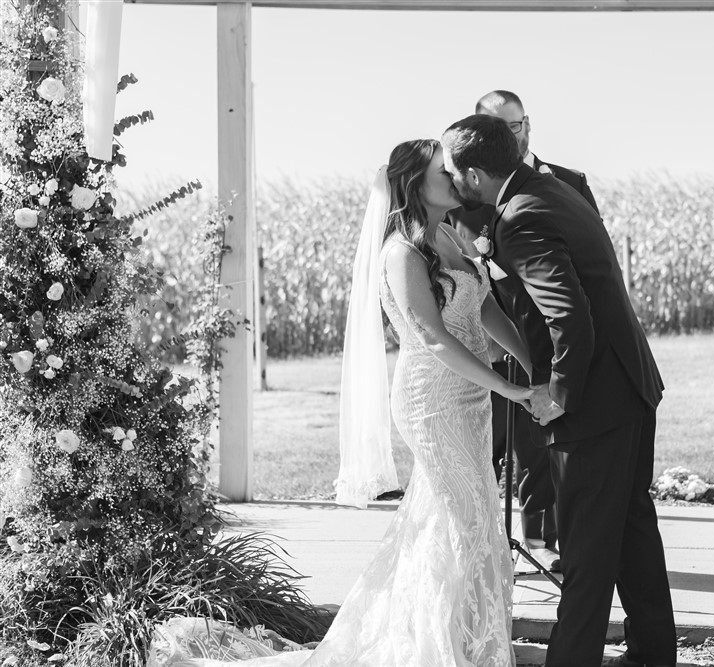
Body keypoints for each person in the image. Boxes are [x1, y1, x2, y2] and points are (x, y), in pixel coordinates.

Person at [146, 139, 533, 667]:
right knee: (463, 524)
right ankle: (442, 650)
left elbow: (488, 312)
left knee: (461, 521)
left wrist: (532, 366)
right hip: (432, 401)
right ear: (413, 184)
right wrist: (505, 385)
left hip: (471, 400)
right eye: (443, 170)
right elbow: (432, 337)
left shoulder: (450, 236)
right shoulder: (401, 253)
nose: (456, 175)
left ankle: (455, 638)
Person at [442, 115, 677, 667]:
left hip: (595, 403)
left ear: (475, 175)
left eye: (455, 174)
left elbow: (570, 317)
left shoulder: (520, 218)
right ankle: (651, 655)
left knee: (587, 551)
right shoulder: (548, 189)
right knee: (631, 535)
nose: (453, 184)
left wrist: (558, 393)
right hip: (631, 387)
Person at [446, 90, 599, 570]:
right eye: (495, 127)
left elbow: (586, 270)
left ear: (526, 125)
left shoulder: (567, 182)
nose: (507, 135)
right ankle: (484, 545)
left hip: (546, 335)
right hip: (490, 337)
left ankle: (543, 538)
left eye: (513, 126)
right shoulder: (463, 195)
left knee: (542, 450)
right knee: (486, 444)